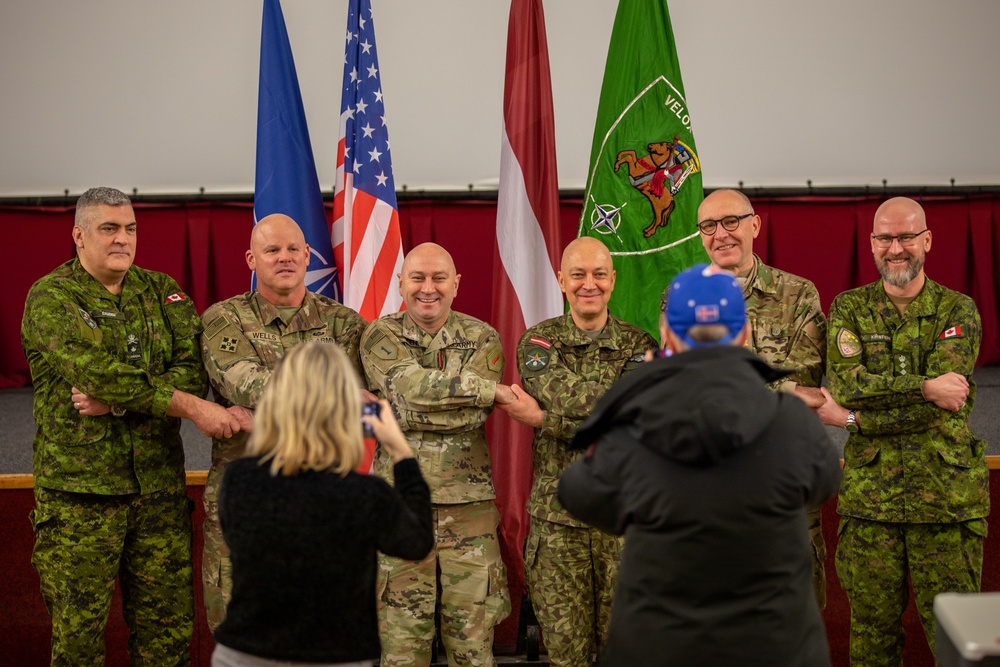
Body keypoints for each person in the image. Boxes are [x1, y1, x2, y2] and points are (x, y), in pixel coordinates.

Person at [558, 264, 842, 667]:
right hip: (774, 648)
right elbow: (825, 482)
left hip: (662, 648)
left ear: (669, 334)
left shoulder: (636, 422)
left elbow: (579, 495)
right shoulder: (791, 422)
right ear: (744, 334)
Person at [21, 186, 242, 666]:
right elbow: (98, 373)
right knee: (77, 644)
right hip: (80, 499)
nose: (123, 239)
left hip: (158, 494)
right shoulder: (51, 297)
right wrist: (188, 408)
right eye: (109, 228)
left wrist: (120, 403)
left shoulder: (163, 290)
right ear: (78, 234)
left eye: (130, 228)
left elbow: (192, 369)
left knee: (167, 639)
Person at [825, 197, 988, 665]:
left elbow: (945, 406)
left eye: (907, 237)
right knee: (872, 639)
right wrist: (924, 386)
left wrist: (851, 420)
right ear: (872, 243)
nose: (896, 249)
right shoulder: (850, 308)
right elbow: (848, 385)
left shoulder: (957, 309)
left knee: (959, 642)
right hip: (871, 506)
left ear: (927, 241)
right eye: (885, 238)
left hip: (947, 503)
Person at [212, 341, 434, 667]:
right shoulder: (363, 493)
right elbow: (417, 543)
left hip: (244, 653)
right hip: (335, 656)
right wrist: (400, 450)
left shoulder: (240, 478)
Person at [199, 213, 368, 630]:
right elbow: (247, 384)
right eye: (272, 250)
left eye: (294, 248)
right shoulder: (224, 319)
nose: (285, 257)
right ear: (251, 259)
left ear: (308, 255)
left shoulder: (344, 324)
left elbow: (365, 403)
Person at [496, 236, 656, 667]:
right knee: (568, 656)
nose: (590, 283)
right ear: (562, 280)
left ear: (613, 280)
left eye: (599, 274)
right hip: (557, 525)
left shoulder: (640, 344)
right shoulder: (538, 342)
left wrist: (546, 420)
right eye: (579, 274)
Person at [677, 188, 832, 608]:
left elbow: (804, 392)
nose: (721, 234)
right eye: (709, 226)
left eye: (731, 222)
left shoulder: (798, 296)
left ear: (755, 225)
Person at [360, 242, 510, 667]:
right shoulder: (379, 334)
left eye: (439, 278)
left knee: (473, 648)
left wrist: (401, 411)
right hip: (400, 509)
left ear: (456, 284)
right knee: (402, 649)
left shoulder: (482, 337)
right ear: (400, 283)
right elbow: (404, 388)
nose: (429, 288)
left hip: (470, 512)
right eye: (418, 278)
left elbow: (468, 415)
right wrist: (482, 391)